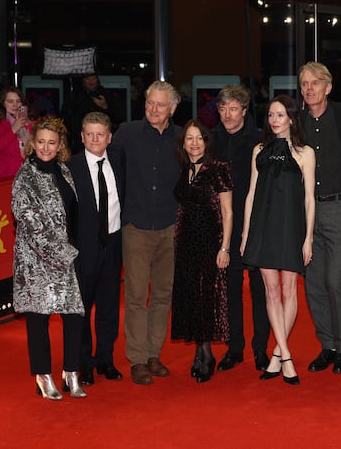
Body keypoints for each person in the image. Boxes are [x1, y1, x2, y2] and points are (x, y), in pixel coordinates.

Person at [242, 95, 316, 386]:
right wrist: (246, 233)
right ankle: (285, 355)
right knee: (271, 292)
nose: (274, 120)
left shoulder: (305, 153)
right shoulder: (258, 150)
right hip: (262, 227)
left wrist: (308, 238)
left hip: (291, 228)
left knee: (289, 291)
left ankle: (277, 355)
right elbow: (251, 194)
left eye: (281, 115)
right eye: (271, 115)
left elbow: (309, 199)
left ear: (292, 119)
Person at [111, 80, 181, 385]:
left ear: (172, 108)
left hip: (170, 226)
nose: (153, 109)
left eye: (160, 104)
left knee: (163, 295)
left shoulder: (182, 138)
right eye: (150, 102)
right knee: (137, 296)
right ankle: (137, 359)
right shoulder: (126, 133)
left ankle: (154, 354)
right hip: (136, 226)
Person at [12, 116, 86, 400]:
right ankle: (43, 375)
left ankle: (71, 372)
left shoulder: (64, 171)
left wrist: (73, 249)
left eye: (51, 142)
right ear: (33, 143)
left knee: (73, 315)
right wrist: (63, 254)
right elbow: (30, 223)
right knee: (38, 318)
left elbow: (72, 213)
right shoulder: (25, 177)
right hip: (35, 260)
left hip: (66, 255)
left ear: (60, 145)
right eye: (41, 142)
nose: (45, 147)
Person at [298, 62, 341, 375]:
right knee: (314, 283)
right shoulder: (297, 122)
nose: (309, 89)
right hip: (306, 212)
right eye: (305, 84)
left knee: (335, 280)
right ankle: (328, 346)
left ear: (328, 87)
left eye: (315, 83)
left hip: (339, 208)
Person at [210, 85, 270, 372]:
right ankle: (235, 348)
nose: (227, 115)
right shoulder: (211, 140)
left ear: (244, 111)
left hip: (256, 224)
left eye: (233, 109)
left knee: (260, 289)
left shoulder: (260, 140)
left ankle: (261, 349)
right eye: (223, 109)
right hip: (224, 226)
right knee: (230, 289)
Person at [171, 119, 233, 383]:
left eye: (199, 138)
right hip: (186, 243)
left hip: (210, 242)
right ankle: (199, 351)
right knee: (191, 297)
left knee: (207, 297)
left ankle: (207, 355)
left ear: (206, 142)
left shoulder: (218, 168)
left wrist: (225, 247)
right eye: (189, 138)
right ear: (183, 143)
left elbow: (227, 211)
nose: (194, 143)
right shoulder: (184, 169)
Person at [67, 112, 125, 386]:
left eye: (99, 134)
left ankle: (105, 359)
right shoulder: (71, 167)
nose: (94, 139)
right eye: (89, 134)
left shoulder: (119, 160)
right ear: (81, 136)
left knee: (109, 307)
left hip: (113, 244)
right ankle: (84, 364)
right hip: (83, 248)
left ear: (109, 137)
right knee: (82, 308)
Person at [63, 73, 125, 154]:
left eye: (93, 78)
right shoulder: (74, 96)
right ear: (83, 80)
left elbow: (119, 118)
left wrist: (105, 106)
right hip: (80, 143)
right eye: (87, 79)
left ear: (97, 79)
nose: (90, 81)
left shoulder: (106, 94)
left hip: (104, 142)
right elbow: (66, 119)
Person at [0, 87, 31, 180]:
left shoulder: (27, 122)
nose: (15, 105)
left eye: (18, 101)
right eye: (10, 101)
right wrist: (13, 129)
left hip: (25, 175)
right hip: (4, 175)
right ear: (2, 103)